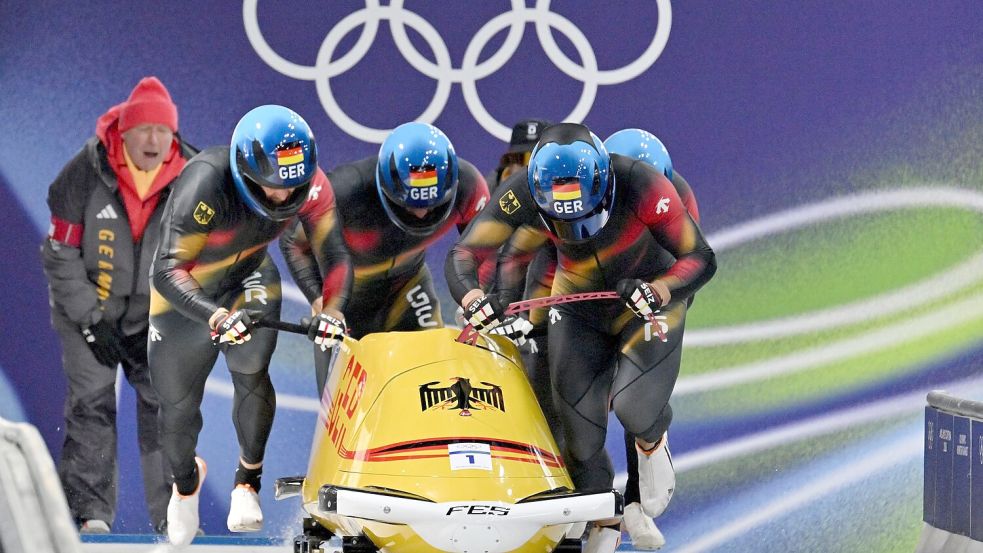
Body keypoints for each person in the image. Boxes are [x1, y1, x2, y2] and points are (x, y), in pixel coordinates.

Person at [445, 123, 716, 553]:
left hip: (646, 299)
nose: (575, 225)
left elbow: (699, 258)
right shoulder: (524, 193)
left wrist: (659, 291)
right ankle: (601, 518)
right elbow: (468, 253)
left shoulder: (643, 184)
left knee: (633, 404)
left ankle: (651, 440)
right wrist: (478, 298)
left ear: (603, 184)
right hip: (578, 303)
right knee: (580, 438)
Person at [149, 105, 351, 545]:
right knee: (177, 411)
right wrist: (215, 316)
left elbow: (334, 255)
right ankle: (185, 485)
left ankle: (248, 482)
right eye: (271, 186)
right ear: (245, 170)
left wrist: (332, 309)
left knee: (252, 362)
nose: (282, 196)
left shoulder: (312, 183)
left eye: (292, 184)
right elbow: (166, 271)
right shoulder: (205, 181)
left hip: (250, 276)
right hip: (186, 293)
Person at [41, 76, 196, 534]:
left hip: (157, 318)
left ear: (174, 136)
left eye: (162, 131)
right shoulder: (82, 173)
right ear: (123, 133)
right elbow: (59, 252)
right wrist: (91, 320)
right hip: (87, 311)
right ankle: (90, 517)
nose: (152, 140)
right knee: (92, 405)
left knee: (166, 408)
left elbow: (206, 254)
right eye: (144, 129)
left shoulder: (193, 176)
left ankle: (172, 518)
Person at [280, 122, 490, 392]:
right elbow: (293, 242)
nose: (422, 214)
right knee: (345, 403)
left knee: (434, 384)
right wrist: (318, 298)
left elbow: (484, 249)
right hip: (345, 300)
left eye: (432, 202)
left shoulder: (469, 187)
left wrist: (476, 294)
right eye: (411, 203)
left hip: (408, 287)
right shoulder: (346, 190)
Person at [604, 128, 701, 549]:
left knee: (633, 388)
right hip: (604, 285)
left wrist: (655, 297)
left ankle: (636, 502)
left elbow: (689, 272)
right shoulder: (587, 194)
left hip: (654, 292)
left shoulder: (680, 200)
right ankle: (591, 499)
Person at [485, 118, 552, 192]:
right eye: (521, 158)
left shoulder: (564, 191)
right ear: (510, 162)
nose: (529, 168)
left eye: (539, 158)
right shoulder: (486, 194)